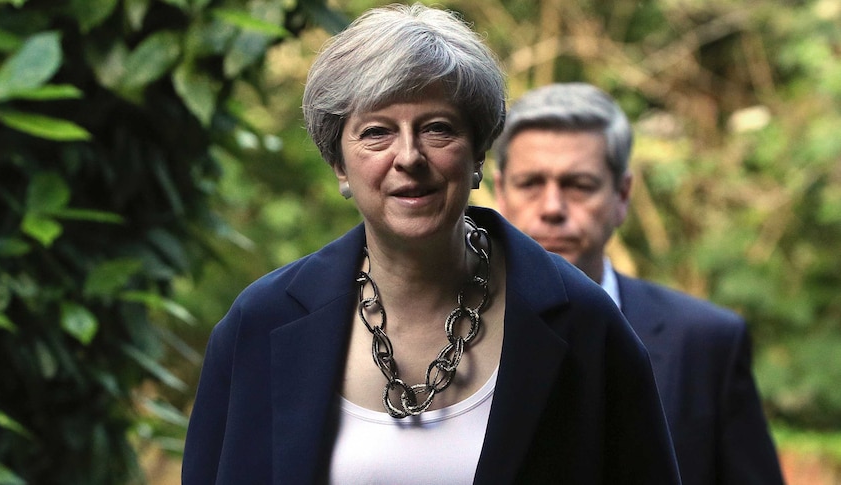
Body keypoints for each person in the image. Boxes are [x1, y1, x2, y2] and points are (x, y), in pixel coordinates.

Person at [182, 6, 680, 484]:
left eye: (437, 128)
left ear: (479, 153)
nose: (408, 157)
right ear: (339, 165)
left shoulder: (584, 325)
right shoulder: (262, 322)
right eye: (376, 132)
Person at [493, 82, 785, 485]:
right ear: (501, 193)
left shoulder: (706, 342)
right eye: (530, 184)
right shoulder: (449, 333)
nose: (552, 208)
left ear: (623, 195)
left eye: (579, 185)